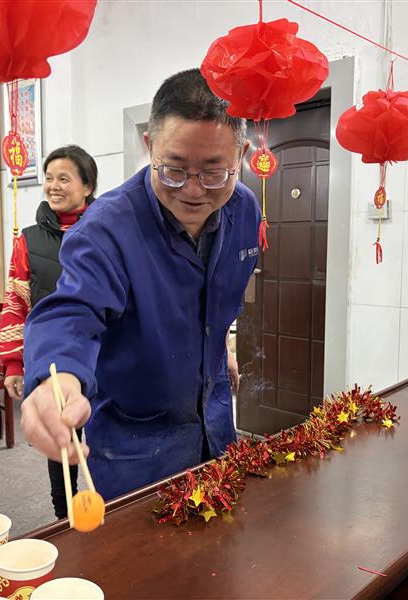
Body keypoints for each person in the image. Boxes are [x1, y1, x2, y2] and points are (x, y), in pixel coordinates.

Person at [20, 69, 260, 500]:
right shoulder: (107, 228)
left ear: (240, 155)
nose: (192, 190)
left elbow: (218, 297)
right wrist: (58, 376)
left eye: (214, 172)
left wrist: (219, 346)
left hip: (215, 425)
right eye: (173, 169)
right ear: (149, 146)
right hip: (134, 446)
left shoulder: (243, 209)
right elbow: (73, 311)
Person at [0, 145, 98, 518]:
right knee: (62, 438)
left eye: (64, 179)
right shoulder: (28, 239)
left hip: (102, 352)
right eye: (49, 178)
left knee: (104, 439)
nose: (53, 186)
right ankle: (63, 514)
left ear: (87, 186)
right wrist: (13, 363)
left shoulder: (104, 232)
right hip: (53, 357)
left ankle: (113, 509)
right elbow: (15, 301)